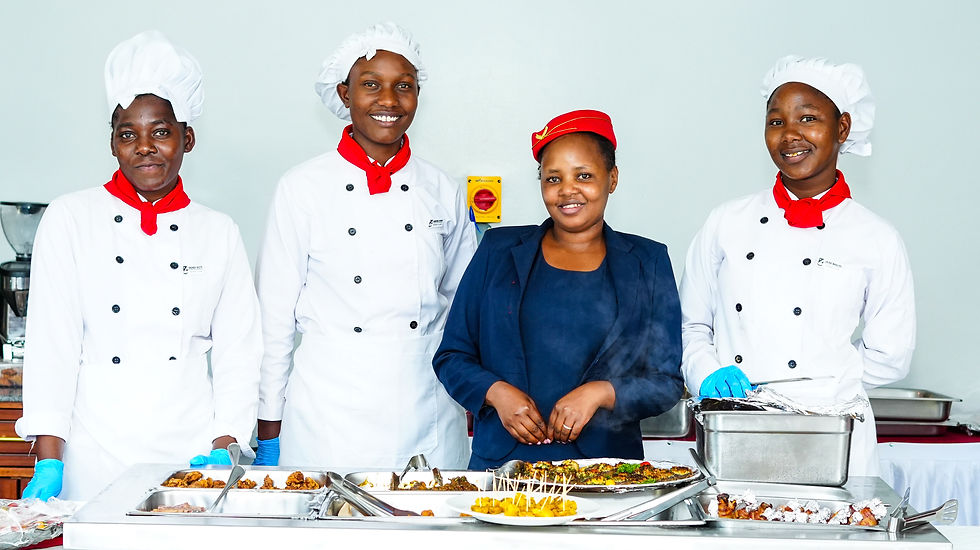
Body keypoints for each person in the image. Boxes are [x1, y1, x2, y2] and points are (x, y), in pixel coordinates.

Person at [15, 31, 262, 500]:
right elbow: (52, 345)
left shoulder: (218, 231)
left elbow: (239, 351)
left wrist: (226, 441)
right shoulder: (70, 218)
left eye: (161, 132)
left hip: (190, 454)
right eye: (128, 134)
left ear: (187, 138)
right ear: (112, 144)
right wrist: (49, 459)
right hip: (91, 452)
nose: (144, 146)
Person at [254, 23, 477, 469]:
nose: (389, 101)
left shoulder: (442, 188)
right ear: (344, 93)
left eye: (404, 87)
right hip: (329, 415)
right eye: (371, 85)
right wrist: (267, 427)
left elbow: (465, 309)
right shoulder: (302, 188)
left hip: (427, 407)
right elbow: (274, 320)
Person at [680, 56, 915, 476]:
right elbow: (690, 325)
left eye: (808, 118)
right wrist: (707, 372)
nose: (790, 135)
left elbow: (891, 354)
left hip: (831, 436)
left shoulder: (876, 237)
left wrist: (825, 385)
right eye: (776, 122)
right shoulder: (726, 222)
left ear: (842, 127)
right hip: (736, 425)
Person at [433, 110, 684, 469]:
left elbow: (666, 382)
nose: (567, 190)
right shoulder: (497, 251)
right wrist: (497, 394)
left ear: (612, 179)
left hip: (607, 470)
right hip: (502, 467)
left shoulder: (648, 261)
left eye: (584, 175)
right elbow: (452, 356)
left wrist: (600, 393)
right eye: (553, 178)